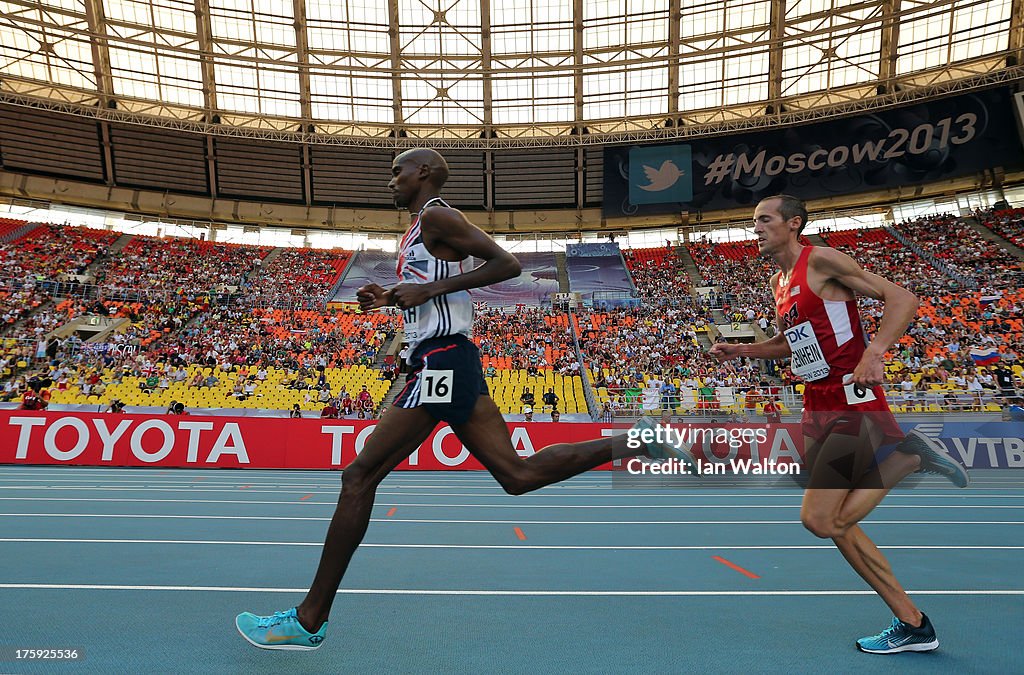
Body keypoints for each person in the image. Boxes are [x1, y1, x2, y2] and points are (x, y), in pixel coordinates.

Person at [236, 147, 677, 651]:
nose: (391, 182)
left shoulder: (440, 215)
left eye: (397, 172)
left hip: (442, 359)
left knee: (359, 476)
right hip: (446, 358)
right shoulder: (418, 229)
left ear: (422, 172)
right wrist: (391, 296)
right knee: (518, 476)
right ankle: (636, 441)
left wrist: (429, 291)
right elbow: (433, 292)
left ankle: (309, 619)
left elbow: (506, 263)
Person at [710, 194, 969, 655]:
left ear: (794, 223)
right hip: (817, 404)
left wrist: (874, 352)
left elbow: (903, 298)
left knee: (819, 518)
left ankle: (909, 457)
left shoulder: (822, 260)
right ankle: (912, 623)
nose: (755, 228)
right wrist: (744, 351)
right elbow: (794, 345)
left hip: (851, 397)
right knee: (835, 525)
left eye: (764, 220)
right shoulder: (779, 281)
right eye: (753, 221)